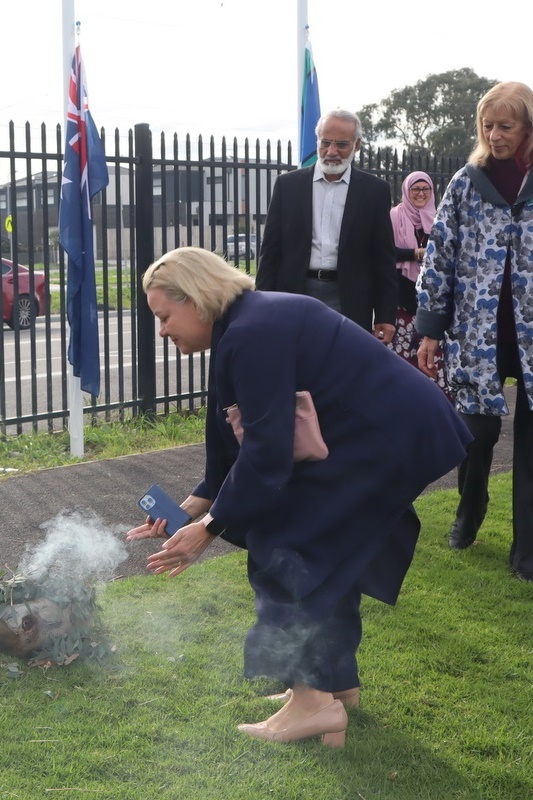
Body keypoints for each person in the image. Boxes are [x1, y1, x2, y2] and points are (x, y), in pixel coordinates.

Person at [126, 246, 471, 748]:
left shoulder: (250, 332)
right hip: (376, 437)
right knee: (324, 554)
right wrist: (198, 504)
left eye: (164, 316)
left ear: (197, 299)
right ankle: (335, 687)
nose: (161, 331)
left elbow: (267, 450)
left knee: (286, 548)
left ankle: (312, 703)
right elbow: (238, 435)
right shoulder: (246, 323)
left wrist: (208, 530)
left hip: (383, 439)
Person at [415, 81, 533, 581]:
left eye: (505, 126)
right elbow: (439, 256)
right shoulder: (467, 181)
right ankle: (470, 510)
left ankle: (526, 550)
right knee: (477, 433)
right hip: (477, 333)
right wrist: (430, 328)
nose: (495, 134)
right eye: (488, 125)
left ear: (527, 126)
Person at [255, 109, 398, 344]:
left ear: (357, 145)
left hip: (349, 299)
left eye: (341, 144)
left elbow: (383, 258)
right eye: (326, 143)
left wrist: (385, 315)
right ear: (318, 141)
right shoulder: (287, 186)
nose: (332, 152)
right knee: (296, 368)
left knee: (342, 372)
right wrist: (261, 302)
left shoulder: (374, 191)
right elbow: (270, 251)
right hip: (294, 293)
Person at [389, 171, 451, 398]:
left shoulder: (440, 218)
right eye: (416, 189)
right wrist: (415, 253)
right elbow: (385, 252)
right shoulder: (394, 216)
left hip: (433, 301)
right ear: (406, 190)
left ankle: (436, 409)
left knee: (434, 363)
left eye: (426, 189)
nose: (421, 194)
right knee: (403, 362)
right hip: (402, 301)